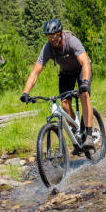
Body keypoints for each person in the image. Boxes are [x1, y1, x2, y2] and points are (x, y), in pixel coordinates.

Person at [20, 19, 95, 150]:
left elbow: (85, 63)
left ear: (60, 33)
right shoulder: (48, 48)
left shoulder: (71, 41)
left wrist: (85, 83)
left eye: (55, 35)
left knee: (84, 95)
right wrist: (25, 93)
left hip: (82, 69)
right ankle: (76, 133)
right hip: (66, 73)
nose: (52, 39)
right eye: (49, 36)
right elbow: (35, 72)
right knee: (65, 103)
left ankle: (88, 135)